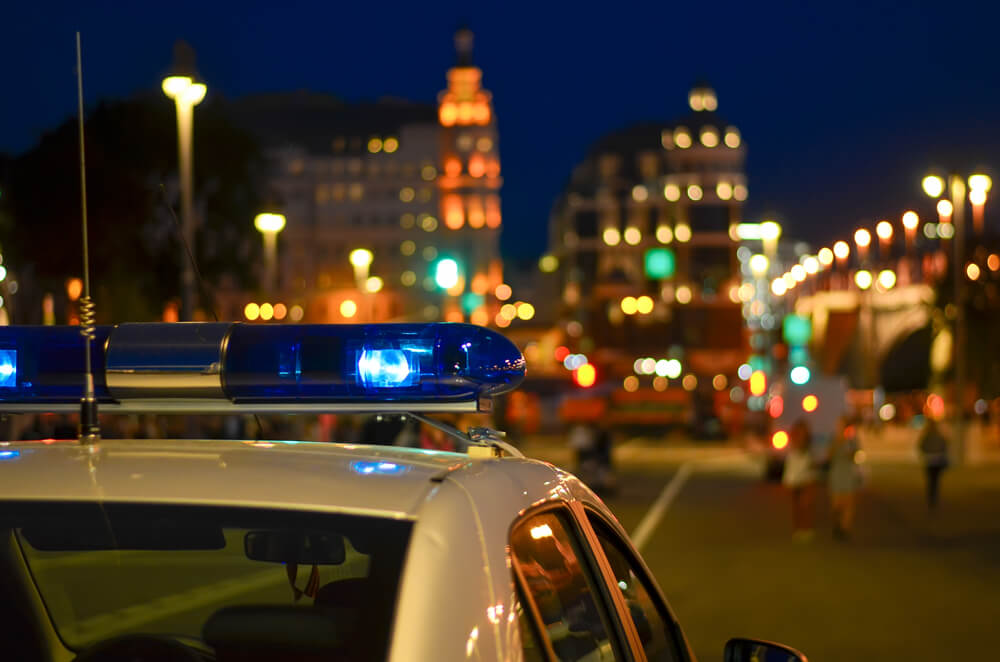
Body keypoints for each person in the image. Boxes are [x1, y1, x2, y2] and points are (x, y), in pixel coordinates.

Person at [826, 417, 863, 540]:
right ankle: (837, 524)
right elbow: (829, 455)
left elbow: (856, 454)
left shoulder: (852, 440)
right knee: (836, 504)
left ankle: (845, 528)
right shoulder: (834, 439)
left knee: (848, 503)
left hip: (848, 473)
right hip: (837, 473)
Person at [782, 419, 818, 541]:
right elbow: (790, 465)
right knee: (796, 506)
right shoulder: (793, 448)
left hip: (806, 479)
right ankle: (798, 529)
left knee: (805, 505)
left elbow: (811, 465)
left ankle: (806, 528)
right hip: (795, 480)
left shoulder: (808, 449)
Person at [917, 417, 949, 510]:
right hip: (938, 461)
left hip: (929, 461)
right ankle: (934, 496)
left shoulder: (926, 435)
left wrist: (926, 453)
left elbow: (921, 446)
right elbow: (944, 445)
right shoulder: (939, 435)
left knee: (930, 480)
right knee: (935, 480)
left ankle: (931, 497)